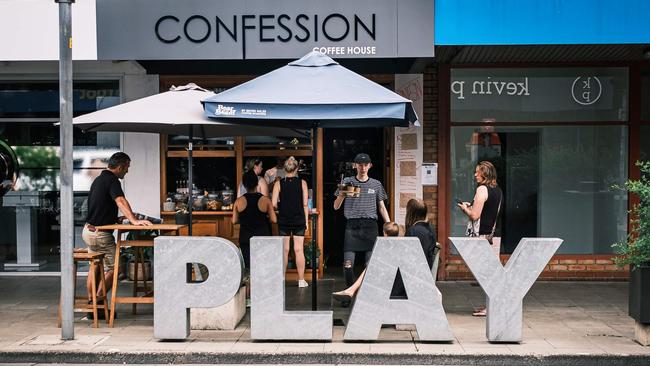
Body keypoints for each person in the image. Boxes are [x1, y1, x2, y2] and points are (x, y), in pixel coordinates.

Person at [82, 152, 152, 318]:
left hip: (89, 230)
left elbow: (99, 207)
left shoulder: (99, 180)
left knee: (96, 267)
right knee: (117, 268)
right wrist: (134, 221)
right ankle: (98, 302)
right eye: (127, 167)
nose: (127, 172)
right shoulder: (112, 180)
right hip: (100, 235)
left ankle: (94, 307)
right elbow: (120, 201)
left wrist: (116, 218)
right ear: (120, 166)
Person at [333, 153, 390, 290]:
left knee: (370, 265)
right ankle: (350, 291)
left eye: (365, 165)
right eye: (360, 165)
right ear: (355, 166)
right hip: (352, 226)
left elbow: (381, 207)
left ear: (370, 166)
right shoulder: (347, 181)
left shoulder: (376, 184)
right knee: (348, 265)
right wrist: (341, 194)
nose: (363, 168)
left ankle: (367, 294)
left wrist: (389, 225)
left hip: (370, 227)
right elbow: (336, 206)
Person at [458, 160, 503, 316]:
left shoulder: (482, 189)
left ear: (485, 174)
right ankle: (491, 306)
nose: (475, 174)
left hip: (481, 237)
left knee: (485, 273)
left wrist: (465, 209)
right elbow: (488, 212)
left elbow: (475, 215)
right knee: (491, 273)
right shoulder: (497, 190)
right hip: (493, 235)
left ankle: (491, 308)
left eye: (478, 172)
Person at [332, 221, 399, 304]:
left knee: (371, 267)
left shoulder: (385, 246)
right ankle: (351, 291)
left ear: (385, 233)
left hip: (389, 278)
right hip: (389, 275)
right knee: (370, 267)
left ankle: (351, 291)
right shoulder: (397, 244)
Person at [272, 156, 309, 288]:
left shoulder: (278, 183)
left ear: (284, 169)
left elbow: (273, 204)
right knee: (298, 250)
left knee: (285, 250)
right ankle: (301, 280)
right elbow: (305, 205)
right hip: (299, 219)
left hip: (284, 219)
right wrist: (306, 222)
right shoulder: (302, 183)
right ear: (297, 168)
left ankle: (281, 279)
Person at [390, 198, 437, 298]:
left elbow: (407, 257)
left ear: (410, 212)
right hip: (425, 269)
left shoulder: (413, 231)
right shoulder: (430, 228)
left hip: (413, 273)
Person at [233, 170, 277, 269]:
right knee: (263, 267)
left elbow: (234, 221)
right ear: (257, 183)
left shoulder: (238, 201)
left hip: (245, 238)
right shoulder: (265, 200)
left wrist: (244, 219)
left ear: (244, 184)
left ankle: (249, 285)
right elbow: (274, 220)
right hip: (263, 237)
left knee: (249, 269)